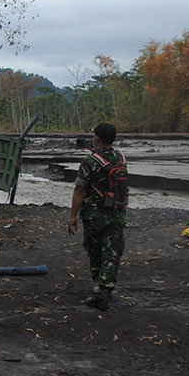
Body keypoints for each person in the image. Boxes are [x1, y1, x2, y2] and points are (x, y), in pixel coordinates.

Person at [67, 123, 128, 311]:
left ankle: (101, 289)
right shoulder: (121, 158)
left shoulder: (90, 161)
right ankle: (105, 287)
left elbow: (79, 190)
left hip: (94, 215)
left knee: (94, 250)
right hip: (117, 213)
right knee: (112, 251)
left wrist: (73, 216)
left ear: (97, 139)